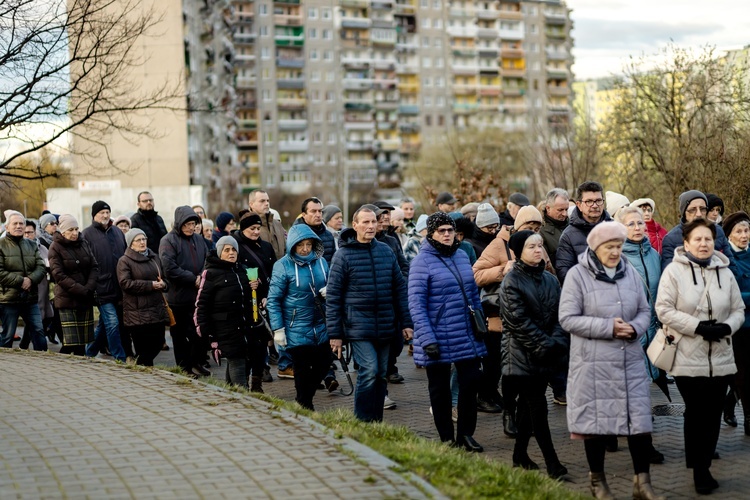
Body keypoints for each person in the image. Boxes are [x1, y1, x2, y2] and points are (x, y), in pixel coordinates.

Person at [559, 221, 661, 500]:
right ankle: (597, 483)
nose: (615, 252)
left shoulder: (629, 273)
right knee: (595, 426)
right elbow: (567, 318)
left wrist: (636, 328)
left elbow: (644, 309)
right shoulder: (577, 276)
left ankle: (643, 484)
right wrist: (609, 327)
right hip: (593, 365)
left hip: (629, 361)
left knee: (638, 424)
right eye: (609, 247)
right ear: (595, 248)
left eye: (618, 246)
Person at [656, 218, 744, 494]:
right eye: (698, 239)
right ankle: (699, 469)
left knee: (714, 412)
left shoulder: (725, 272)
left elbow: (738, 308)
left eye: (708, 239)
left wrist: (726, 326)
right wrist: (697, 328)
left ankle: (704, 459)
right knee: (696, 412)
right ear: (687, 243)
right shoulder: (673, 272)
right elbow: (664, 309)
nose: (704, 243)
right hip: (686, 356)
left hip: (720, 354)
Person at [327, 206, 414, 422]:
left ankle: (376, 423)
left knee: (381, 373)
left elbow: (399, 290)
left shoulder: (385, 251)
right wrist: (335, 334)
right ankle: (362, 422)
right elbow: (333, 297)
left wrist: (406, 322)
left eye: (373, 222)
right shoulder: (343, 255)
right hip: (358, 326)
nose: (371, 226)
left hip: (386, 324)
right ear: (354, 225)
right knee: (370, 370)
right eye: (365, 222)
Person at [409, 212, 487, 452]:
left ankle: (465, 434)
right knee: (440, 389)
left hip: (465, 331)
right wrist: (427, 338)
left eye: (449, 230)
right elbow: (416, 303)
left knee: (471, 381)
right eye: (441, 231)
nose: (446, 235)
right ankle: (446, 438)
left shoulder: (462, 256)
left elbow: (473, 294)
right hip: (436, 334)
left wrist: (480, 323)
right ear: (431, 233)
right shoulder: (422, 261)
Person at [473, 205, 556, 416]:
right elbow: (476, 274)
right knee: (497, 366)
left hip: (533, 318)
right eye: (529, 225)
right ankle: (489, 398)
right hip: (500, 318)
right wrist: (502, 269)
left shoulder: (538, 246)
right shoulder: (499, 244)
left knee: (522, 371)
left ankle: (514, 409)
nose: (534, 230)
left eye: (538, 227)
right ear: (518, 225)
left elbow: (550, 274)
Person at [499, 230, 568, 477]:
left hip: (545, 352)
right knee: (538, 407)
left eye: (540, 245)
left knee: (528, 409)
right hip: (521, 355)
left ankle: (519, 456)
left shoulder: (550, 280)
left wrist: (556, 342)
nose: (538, 250)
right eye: (531, 247)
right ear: (518, 253)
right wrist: (547, 346)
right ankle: (553, 463)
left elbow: (561, 316)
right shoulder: (511, 281)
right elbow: (519, 323)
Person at [267, 224, 331, 409]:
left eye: (308, 244)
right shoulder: (282, 266)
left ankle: (302, 402)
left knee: (325, 363)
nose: (305, 249)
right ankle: (305, 405)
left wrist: (330, 292)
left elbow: (332, 284)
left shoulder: (321, 262)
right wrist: (278, 329)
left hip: (320, 324)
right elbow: (274, 300)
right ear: (292, 245)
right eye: (300, 245)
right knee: (302, 370)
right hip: (295, 326)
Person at [195, 237, 256, 388]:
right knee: (237, 361)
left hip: (242, 326)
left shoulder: (241, 270)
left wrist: (253, 287)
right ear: (220, 252)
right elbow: (201, 304)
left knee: (236, 360)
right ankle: (243, 398)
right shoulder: (210, 273)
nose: (231, 253)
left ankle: (231, 395)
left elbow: (246, 299)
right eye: (227, 250)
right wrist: (204, 331)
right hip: (224, 328)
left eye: (234, 249)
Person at [159, 206, 209, 377]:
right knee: (180, 337)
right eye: (187, 224)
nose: (191, 227)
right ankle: (184, 368)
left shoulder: (199, 240)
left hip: (198, 295)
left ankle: (195, 363)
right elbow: (169, 268)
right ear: (179, 223)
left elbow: (206, 261)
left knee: (199, 334)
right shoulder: (168, 240)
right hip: (178, 297)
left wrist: (202, 277)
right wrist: (192, 278)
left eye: (193, 223)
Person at [233, 211, 278, 390]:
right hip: (243, 302)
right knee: (246, 346)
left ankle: (257, 383)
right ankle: (241, 381)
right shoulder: (235, 246)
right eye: (252, 228)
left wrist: (269, 296)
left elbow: (275, 273)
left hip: (264, 302)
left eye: (259, 228)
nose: (256, 232)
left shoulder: (266, 247)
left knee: (261, 345)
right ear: (244, 229)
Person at [81, 201, 127, 362]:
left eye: (107, 212)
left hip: (119, 286)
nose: (106, 216)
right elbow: (85, 264)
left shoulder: (117, 232)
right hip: (101, 287)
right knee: (112, 322)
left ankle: (90, 352)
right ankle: (120, 357)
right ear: (94, 215)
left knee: (104, 325)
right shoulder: (86, 234)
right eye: (102, 213)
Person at [116, 228, 169, 366]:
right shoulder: (124, 261)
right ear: (130, 244)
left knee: (158, 343)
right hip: (137, 312)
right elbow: (125, 283)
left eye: (144, 239)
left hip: (156, 309)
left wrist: (164, 284)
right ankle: (143, 377)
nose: (142, 242)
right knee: (143, 349)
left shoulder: (154, 257)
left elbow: (164, 278)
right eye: (138, 240)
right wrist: (150, 285)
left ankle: (140, 368)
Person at [48, 215, 99, 356]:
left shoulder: (84, 243)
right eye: (71, 229)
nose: (75, 233)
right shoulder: (55, 247)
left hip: (85, 298)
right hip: (67, 300)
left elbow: (94, 266)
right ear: (63, 231)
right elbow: (59, 275)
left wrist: (89, 287)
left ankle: (80, 373)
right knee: (71, 343)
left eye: (76, 229)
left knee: (82, 344)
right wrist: (81, 289)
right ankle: (59, 369)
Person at [0, 211, 48, 350]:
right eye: (15, 223)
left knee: (39, 332)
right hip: (8, 300)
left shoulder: (32, 245)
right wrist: (21, 281)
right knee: (7, 336)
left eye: (21, 223)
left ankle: (46, 364)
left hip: (30, 299)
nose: (19, 226)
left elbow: (41, 267)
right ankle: (5, 366)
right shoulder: (1, 245)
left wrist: (30, 280)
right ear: (7, 227)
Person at [720, 211, 750, 434]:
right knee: (742, 374)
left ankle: (730, 402)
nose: (744, 235)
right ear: (729, 236)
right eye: (738, 231)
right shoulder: (727, 260)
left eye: (747, 230)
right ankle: (748, 417)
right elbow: (733, 295)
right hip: (739, 326)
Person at [661, 190, 734, 270]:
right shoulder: (671, 239)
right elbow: (670, 273)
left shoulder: (718, 231)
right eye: (692, 210)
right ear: (684, 213)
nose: (699, 214)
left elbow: (731, 265)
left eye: (702, 209)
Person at [556, 181, 612, 284]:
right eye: (589, 201)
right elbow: (564, 273)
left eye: (599, 200)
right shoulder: (568, 236)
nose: (595, 206)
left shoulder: (614, 228)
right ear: (579, 205)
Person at [21, 220, 56, 347]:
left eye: (29, 232)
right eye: (24, 232)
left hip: (45, 289)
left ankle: (26, 345)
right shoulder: (20, 249)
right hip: (29, 291)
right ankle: (29, 346)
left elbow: (49, 265)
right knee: (35, 323)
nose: (27, 235)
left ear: (35, 232)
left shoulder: (42, 248)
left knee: (46, 317)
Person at [293, 197, 335, 264]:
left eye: (320, 211)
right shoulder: (296, 235)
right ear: (304, 215)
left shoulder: (328, 235)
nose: (318, 215)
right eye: (313, 211)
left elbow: (333, 262)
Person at [248, 189, 286, 260]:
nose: (266, 203)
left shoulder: (277, 224)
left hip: (280, 269)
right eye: (262, 201)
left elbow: (285, 249)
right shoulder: (246, 226)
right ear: (251, 204)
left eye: (267, 200)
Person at [129, 191, 168, 256]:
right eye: (145, 201)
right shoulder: (134, 220)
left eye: (151, 200)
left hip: (162, 257)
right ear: (138, 204)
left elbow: (165, 238)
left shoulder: (159, 219)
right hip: (145, 259)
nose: (149, 202)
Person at [540, 188, 569, 268]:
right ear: (548, 208)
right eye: (560, 210)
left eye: (566, 209)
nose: (565, 214)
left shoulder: (573, 226)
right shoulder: (540, 232)